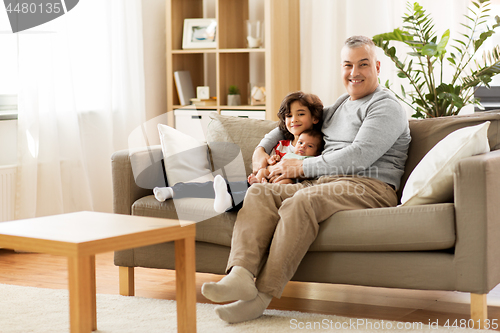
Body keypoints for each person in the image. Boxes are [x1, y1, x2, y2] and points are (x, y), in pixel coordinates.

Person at [200, 35, 412, 324]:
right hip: (326, 181)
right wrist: (262, 149)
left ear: (377, 66)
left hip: (369, 184)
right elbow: (299, 122)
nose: (354, 73)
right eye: (348, 65)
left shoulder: (385, 106)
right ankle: (239, 274)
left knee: (301, 200)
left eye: (363, 64)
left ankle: (261, 297)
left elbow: (359, 156)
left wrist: (300, 168)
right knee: (260, 193)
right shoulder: (341, 104)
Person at [153, 91, 324, 213]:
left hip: (278, 190)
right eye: (289, 115)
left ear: (314, 118)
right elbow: (264, 166)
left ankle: (229, 202)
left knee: (250, 193)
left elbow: (313, 170)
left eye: (300, 114)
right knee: (219, 186)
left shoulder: (316, 147)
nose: (293, 119)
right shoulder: (281, 144)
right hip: (261, 183)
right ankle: (175, 191)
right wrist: (261, 174)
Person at [250, 129, 324, 184]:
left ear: (317, 152)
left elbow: (308, 172)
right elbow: (280, 164)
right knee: (262, 171)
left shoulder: (310, 159)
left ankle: (268, 187)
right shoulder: (289, 154)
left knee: (286, 182)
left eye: (310, 146)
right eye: (300, 142)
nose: (303, 146)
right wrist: (275, 160)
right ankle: (257, 182)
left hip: (288, 178)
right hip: (274, 172)